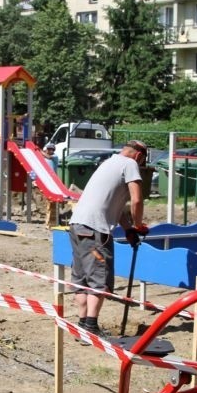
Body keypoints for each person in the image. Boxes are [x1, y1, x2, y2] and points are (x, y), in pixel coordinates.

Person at [68, 140, 150, 338]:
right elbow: (137, 200)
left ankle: (82, 323)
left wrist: (128, 229)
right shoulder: (130, 165)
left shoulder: (108, 163)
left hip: (77, 225)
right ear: (139, 156)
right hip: (95, 229)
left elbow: (116, 207)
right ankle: (91, 326)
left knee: (81, 278)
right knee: (99, 278)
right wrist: (139, 225)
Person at [43, 143, 59, 228]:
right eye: (49, 149)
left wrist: (39, 151)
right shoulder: (44, 157)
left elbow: (48, 157)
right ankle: (48, 221)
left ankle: (50, 221)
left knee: (51, 201)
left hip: (53, 180)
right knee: (48, 202)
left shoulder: (55, 157)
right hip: (46, 179)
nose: (51, 151)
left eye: (52, 150)